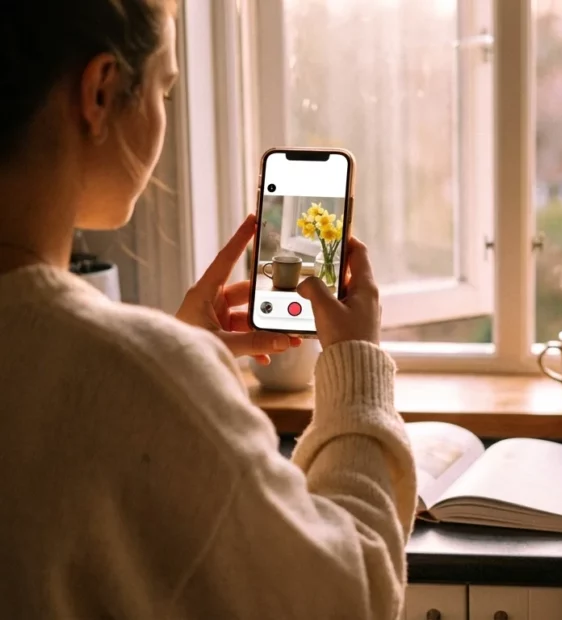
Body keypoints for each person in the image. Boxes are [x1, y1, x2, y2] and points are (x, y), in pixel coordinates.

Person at [0, 2, 416, 618]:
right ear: (100, 91)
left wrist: (170, 364)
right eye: (166, 86)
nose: (165, 114)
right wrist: (356, 371)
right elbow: (352, 595)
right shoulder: (149, 376)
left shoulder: (136, 371)